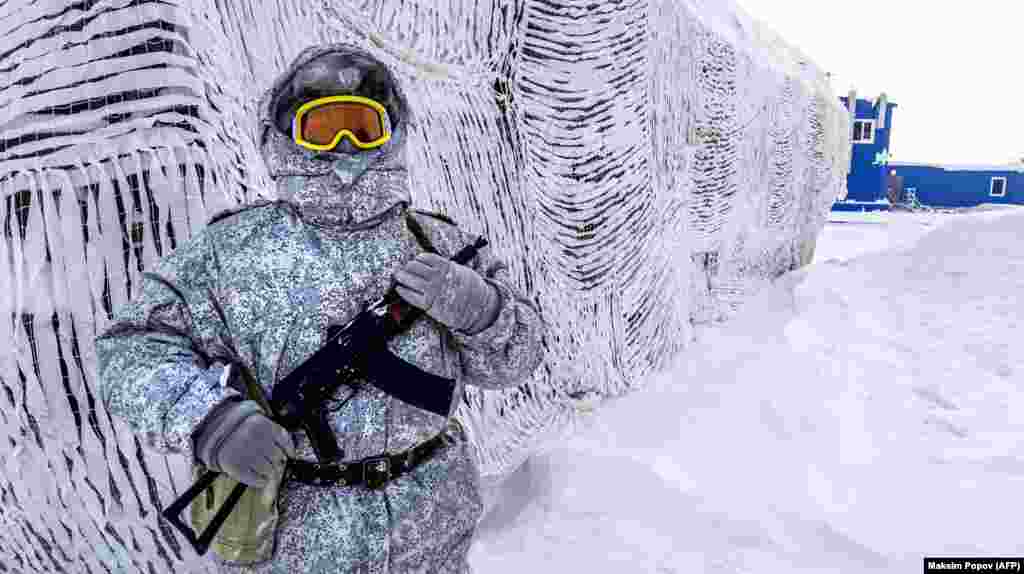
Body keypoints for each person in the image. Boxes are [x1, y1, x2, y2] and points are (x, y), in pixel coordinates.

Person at [96, 42, 544, 573]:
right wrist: (213, 421)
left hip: (433, 532)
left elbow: (518, 363)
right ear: (284, 139)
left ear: (393, 135)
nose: (345, 147)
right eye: (323, 127)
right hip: (299, 543)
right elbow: (128, 351)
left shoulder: (440, 244)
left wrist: (484, 311)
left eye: (362, 125)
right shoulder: (230, 253)